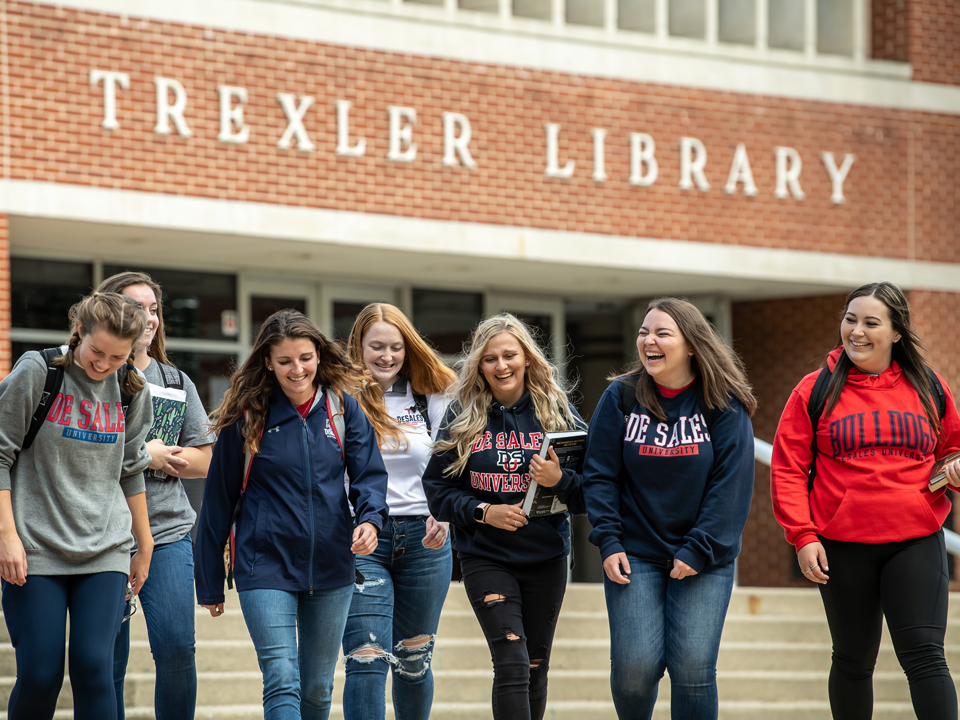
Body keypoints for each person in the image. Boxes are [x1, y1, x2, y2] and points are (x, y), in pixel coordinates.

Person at [770, 281, 960, 720]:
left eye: (871, 322)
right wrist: (802, 536)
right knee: (853, 661)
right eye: (850, 319)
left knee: (926, 658)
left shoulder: (929, 386)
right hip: (842, 544)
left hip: (915, 540)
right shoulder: (812, 390)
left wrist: (953, 467)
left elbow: (951, 449)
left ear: (896, 332)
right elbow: (788, 470)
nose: (856, 331)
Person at [194, 309, 389, 720]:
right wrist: (209, 580)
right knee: (282, 677)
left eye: (304, 357)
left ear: (318, 355)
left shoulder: (342, 409)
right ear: (268, 361)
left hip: (333, 567)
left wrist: (370, 520)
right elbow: (217, 500)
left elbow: (369, 476)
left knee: (317, 689)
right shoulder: (247, 416)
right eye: (284, 361)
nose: (296, 369)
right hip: (263, 565)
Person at [582, 297, 756, 720]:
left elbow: (730, 487)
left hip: (705, 556)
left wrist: (698, 548)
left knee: (694, 668)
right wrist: (608, 540)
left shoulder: (723, 403)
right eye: (644, 332)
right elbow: (600, 473)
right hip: (635, 552)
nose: (649, 341)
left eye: (662, 333)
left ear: (692, 344)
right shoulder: (621, 396)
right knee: (634, 669)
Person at [422, 313, 586, 720]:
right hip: (486, 555)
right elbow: (437, 491)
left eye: (510, 355)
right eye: (490, 359)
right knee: (511, 662)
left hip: (546, 556)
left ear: (527, 358)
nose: (502, 366)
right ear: (479, 365)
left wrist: (559, 479)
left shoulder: (558, 412)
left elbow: (592, 491)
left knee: (534, 666)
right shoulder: (464, 415)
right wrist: (484, 511)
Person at [0, 292, 154, 720]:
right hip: (34, 548)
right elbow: (0, 453)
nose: (103, 364)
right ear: (79, 332)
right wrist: (7, 536)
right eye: (96, 351)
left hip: (105, 547)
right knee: (40, 673)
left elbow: (131, 469)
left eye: (118, 356)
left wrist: (144, 545)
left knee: (93, 668)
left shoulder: (130, 388)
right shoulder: (39, 371)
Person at [99, 272, 215, 720]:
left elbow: (205, 460)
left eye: (153, 309)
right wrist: (147, 455)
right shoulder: (96, 372)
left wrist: (161, 456)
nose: (148, 319)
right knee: (106, 658)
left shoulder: (175, 379)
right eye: (135, 308)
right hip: (102, 532)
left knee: (176, 650)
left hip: (167, 531)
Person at [340, 303, 457, 720]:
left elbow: (452, 462)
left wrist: (443, 514)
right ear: (359, 347)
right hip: (362, 538)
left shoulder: (432, 395)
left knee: (413, 662)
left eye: (395, 347)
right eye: (376, 347)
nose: (386, 356)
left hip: (426, 543)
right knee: (366, 657)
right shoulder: (339, 396)